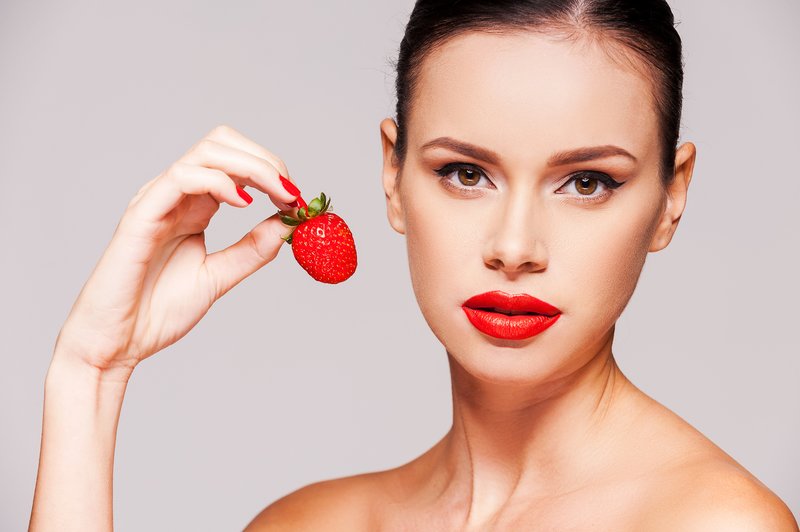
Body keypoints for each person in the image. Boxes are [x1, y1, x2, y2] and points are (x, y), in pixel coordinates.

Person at [29, 0, 798, 530]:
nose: (515, 245)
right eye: (466, 173)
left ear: (671, 197)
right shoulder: (304, 526)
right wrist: (91, 374)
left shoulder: (715, 523)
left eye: (587, 182)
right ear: (393, 176)